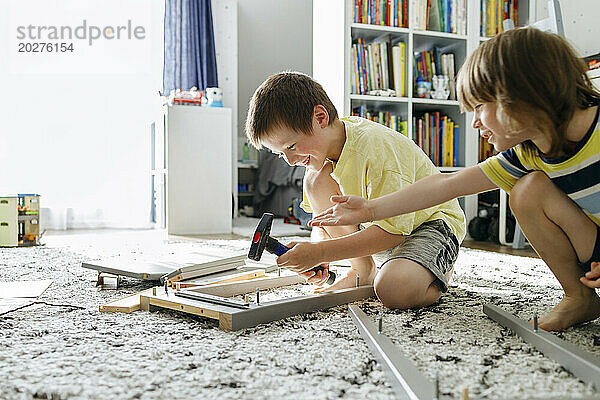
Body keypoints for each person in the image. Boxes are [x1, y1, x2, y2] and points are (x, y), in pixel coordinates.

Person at [309, 28, 600, 332]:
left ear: (522, 95)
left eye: (480, 108)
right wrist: (370, 209)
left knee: (528, 188)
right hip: (592, 247)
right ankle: (578, 296)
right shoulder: (527, 153)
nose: (474, 122)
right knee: (527, 190)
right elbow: (446, 185)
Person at [245, 71, 466, 309]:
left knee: (394, 290)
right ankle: (362, 271)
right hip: (383, 230)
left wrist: (321, 253)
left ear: (320, 117)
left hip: (430, 226)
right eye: (280, 153)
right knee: (314, 182)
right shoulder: (320, 163)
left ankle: (436, 269)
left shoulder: (375, 149)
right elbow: (322, 227)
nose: (289, 160)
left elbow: (394, 232)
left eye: (291, 146)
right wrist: (317, 253)